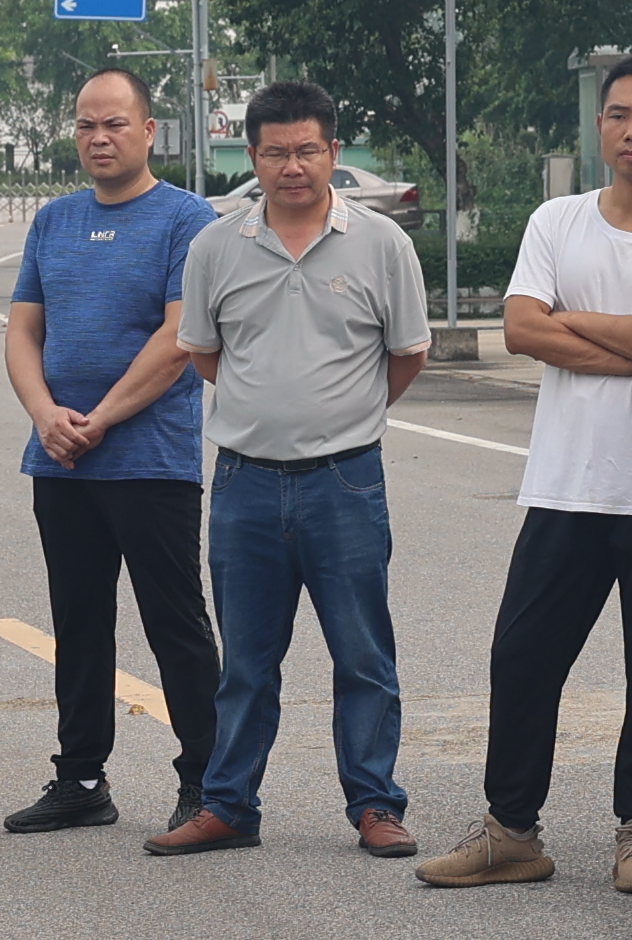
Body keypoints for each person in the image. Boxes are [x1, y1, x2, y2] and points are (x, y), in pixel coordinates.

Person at [419, 61, 632, 892]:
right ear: (599, 126)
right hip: (564, 486)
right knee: (523, 659)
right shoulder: (558, 219)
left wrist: (576, 325)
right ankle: (511, 831)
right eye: (618, 114)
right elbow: (521, 332)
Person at [152, 83, 436, 860]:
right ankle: (228, 805)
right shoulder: (216, 246)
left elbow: (406, 355)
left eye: (308, 150)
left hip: (344, 482)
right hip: (245, 483)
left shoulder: (382, 245)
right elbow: (205, 353)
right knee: (245, 661)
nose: (292, 166)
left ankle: (375, 803)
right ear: (253, 158)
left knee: (363, 654)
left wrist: (339, 415)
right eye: (275, 152)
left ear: (334, 155)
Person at [0, 66, 224, 840]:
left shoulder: (186, 221)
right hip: (59, 461)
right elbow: (25, 329)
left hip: (150, 460)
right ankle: (81, 779)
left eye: (115, 124)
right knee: (80, 622)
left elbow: (178, 341)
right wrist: (44, 414)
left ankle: (208, 783)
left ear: (149, 131)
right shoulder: (54, 222)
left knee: (175, 623)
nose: (99, 138)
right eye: (87, 125)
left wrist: (97, 419)